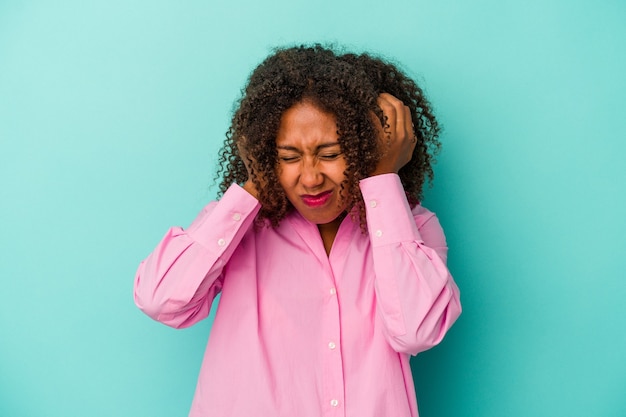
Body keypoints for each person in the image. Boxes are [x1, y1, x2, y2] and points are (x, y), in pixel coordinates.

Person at [134, 44, 461, 417]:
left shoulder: (411, 227)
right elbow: (161, 300)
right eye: (289, 157)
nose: (310, 178)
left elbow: (418, 331)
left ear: (365, 149)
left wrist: (384, 179)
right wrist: (256, 182)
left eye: (330, 153)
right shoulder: (242, 226)